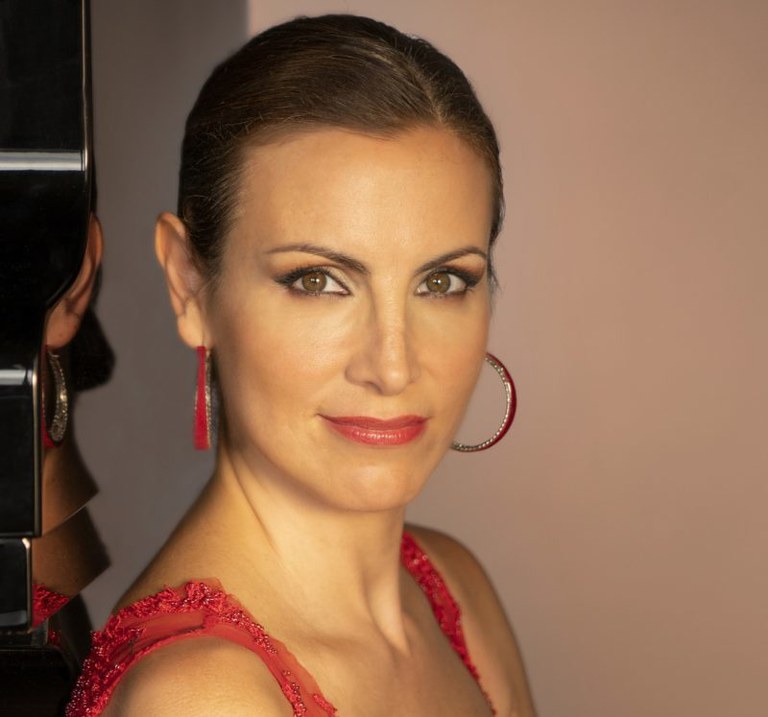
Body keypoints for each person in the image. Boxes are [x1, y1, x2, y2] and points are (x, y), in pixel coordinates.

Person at [67, 14, 535, 716]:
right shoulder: (200, 696)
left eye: (442, 282)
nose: (393, 366)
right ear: (189, 283)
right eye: (318, 281)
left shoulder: (455, 589)